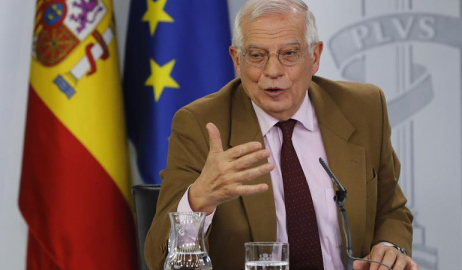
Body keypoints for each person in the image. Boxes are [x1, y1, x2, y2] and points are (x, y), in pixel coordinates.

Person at [145, 0, 417, 269]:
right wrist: (198, 201)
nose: (272, 71)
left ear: (315, 57)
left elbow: (391, 210)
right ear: (236, 61)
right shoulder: (200, 125)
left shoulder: (364, 108)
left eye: (289, 53)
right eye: (256, 56)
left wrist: (390, 248)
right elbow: (158, 258)